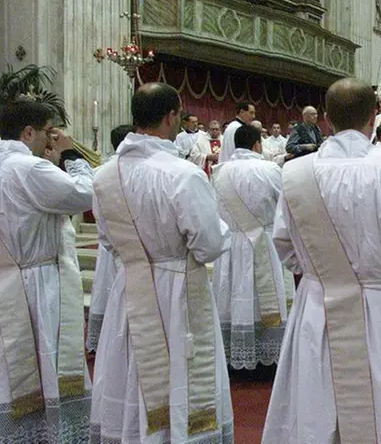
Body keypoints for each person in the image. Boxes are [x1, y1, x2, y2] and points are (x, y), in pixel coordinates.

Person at [261, 77, 381, 444]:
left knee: (313, 403)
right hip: (377, 309)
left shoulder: (295, 173)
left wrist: (319, 271)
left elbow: (284, 245)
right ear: (374, 117)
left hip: (317, 305)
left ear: (326, 119)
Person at [90, 82, 233, 443]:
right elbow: (209, 245)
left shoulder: (105, 175)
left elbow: (107, 240)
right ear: (172, 117)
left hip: (130, 290)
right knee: (181, 377)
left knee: (132, 375)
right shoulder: (181, 173)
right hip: (178, 293)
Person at [0, 99, 94, 442]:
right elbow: (85, 194)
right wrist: (72, 157)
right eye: (47, 131)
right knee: (48, 364)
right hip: (39, 282)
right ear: (28, 132)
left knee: (13, 373)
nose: (50, 139)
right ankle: (52, 434)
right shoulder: (28, 168)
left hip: (7, 277)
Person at [211, 124, 292, 370]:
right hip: (265, 243)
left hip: (231, 245)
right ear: (257, 144)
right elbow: (285, 208)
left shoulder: (218, 172)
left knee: (236, 297)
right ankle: (271, 357)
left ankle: (236, 349)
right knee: (265, 298)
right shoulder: (271, 170)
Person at [87, 124, 133, 353]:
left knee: (110, 290)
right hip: (131, 246)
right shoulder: (132, 171)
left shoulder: (101, 172)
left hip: (111, 245)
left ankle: (108, 338)